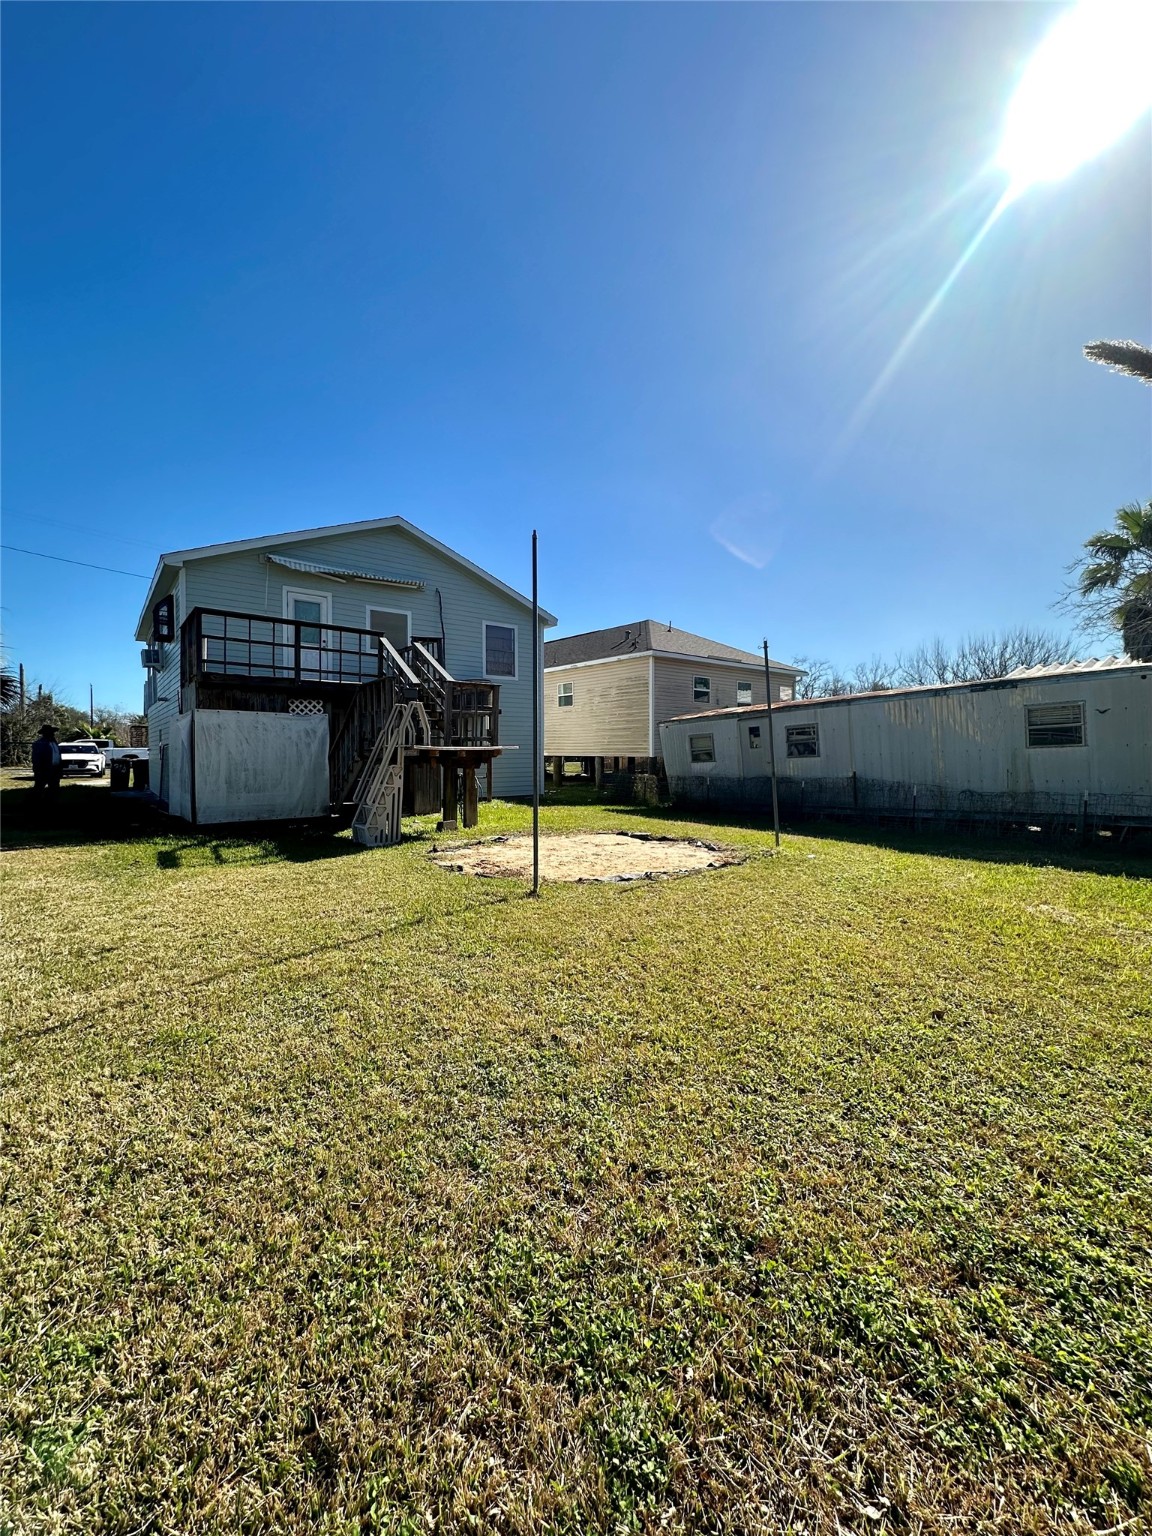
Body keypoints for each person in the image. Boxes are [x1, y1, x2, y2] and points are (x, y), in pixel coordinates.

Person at [31, 723, 63, 801]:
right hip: (44, 770)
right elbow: (36, 759)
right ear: (45, 733)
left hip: (55, 769)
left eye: (52, 732)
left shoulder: (54, 743)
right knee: (39, 789)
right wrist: (38, 770)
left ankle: (51, 802)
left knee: (54, 789)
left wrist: (59, 768)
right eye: (50, 732)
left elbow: (58, 756)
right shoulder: (39, 744)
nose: (52, 734)